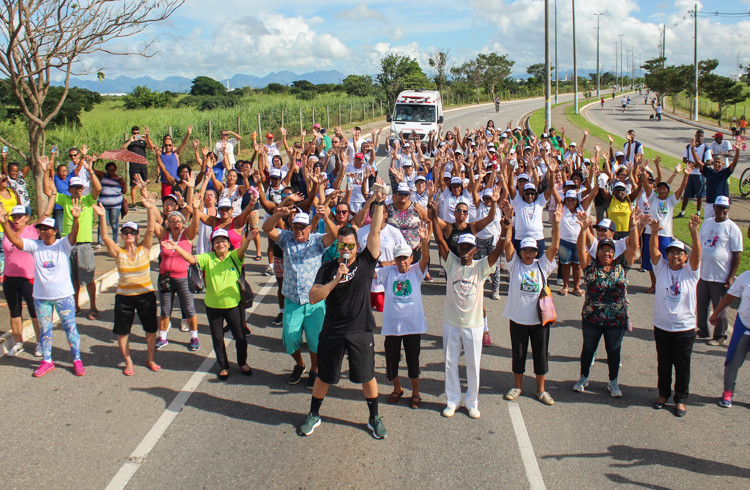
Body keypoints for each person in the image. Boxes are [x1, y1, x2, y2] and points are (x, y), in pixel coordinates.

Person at [299, 188, 387, 439]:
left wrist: (379, 200)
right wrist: (336, 280)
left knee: (367, 376)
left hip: (360, 329)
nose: (346, 249)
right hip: (333, 330)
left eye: (350, 246)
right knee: (324, 375)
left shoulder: (366, 261)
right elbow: (314, 297)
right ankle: (314, 413)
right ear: (337, 246)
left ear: (357, 246)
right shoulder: (328, 269)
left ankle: (374, 417)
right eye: (342, 245)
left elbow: (375, 230)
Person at [430, 202, 505, 420]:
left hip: (473, 325)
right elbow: (440, 241)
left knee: (473, 365)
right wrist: (434, 218)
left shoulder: (481, 266)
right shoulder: (450, 262)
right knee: (450, 363)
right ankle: (452, 401)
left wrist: (506, 230)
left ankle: (472, 402)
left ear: (474, 249)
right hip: (451, 323)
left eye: (468, 248)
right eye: (461, 247)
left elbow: (499, 250)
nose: (464, 251)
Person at [0, 203, 85, 377]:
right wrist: (3, 223)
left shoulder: (63, 244)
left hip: (63, 296)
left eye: (47, 229)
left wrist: (76, 218)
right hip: (41, 297)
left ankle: (76, 360)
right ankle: (47, 360)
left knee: (70, 329)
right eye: (41, 229)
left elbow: (74, 234)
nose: (43, 231)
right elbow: (15, 241)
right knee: (45, 331)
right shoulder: (35, 245)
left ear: (54, 231)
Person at [163, 228, 257, 380]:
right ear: (213, 244)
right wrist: (176, 248)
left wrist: (248, 239)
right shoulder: (208, 258)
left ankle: (242, 362)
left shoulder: (234, 257)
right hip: (213, 306)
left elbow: (242, 250)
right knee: (217, 338)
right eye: (217, 241)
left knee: (240, 336)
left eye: (224, 241)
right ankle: (223, 366)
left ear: (228, 244)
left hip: (233, 305)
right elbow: (192, 259)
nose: (221, 244)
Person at [262, 205, 338, 389]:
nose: (299, 230)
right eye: (296, 227)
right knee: (290, 337)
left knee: (315, 339)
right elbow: (267, 229)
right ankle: (299, 364)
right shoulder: (286, 238)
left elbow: (335, 236)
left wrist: (326, 218)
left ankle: (315, 369)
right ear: (292, 227)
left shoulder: (317, 241)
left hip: (314, 301)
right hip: (292, 299)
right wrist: (279, 214)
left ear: (309, 228)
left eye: (303, 227)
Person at [572, 211, 639, 397]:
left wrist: (634, 226)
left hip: (616, 319)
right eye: (602, 250)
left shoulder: (621, 265)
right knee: (588, 348)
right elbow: (580, 249)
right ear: (598, 251)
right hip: (592, 317)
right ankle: (583, 377)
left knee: (614, 351)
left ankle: (613, 382)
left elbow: (634, 247)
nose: (606, 253)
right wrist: (583, 230)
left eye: (610, 250)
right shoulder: (590, 266)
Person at [502, 203, 563, 406]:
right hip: (518, 319)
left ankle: (541, 390)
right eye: (525, 250)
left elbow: (554, 246)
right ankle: (518, 386)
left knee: (540, 355)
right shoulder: (514, 265)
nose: (528, 253)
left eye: (532, 250)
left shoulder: (542, 266)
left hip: (539, 321)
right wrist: (509, 220)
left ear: (537, 252)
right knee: (518, 354)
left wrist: (556, 223)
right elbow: (508, 244)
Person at [93, 194, 161, 376]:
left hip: (145, 295)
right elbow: (106, 237)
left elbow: (150, 232)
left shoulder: (144, 248)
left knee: (150, 328)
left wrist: (149, 208)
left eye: (132, 232)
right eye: (126, 233)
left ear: (137, 235)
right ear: (122, 236)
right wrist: (101, 216)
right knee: (123, 330)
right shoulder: (118, 252)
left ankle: (150, 358)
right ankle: (128, 361)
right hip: (124, 298)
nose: (129, 235)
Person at [649, 215, 701, 417]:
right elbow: (654, 252)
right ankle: (663, 394)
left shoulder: (691, 272)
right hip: (662, 326)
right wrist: (654, 232)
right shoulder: (661, 268)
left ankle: (680, 399)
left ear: (685, 257)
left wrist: (694, 232)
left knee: (682, 365)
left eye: (680, 254)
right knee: (663, 362)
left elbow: (697, 255)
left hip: (684, 329)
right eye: (671, 253)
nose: (675, 257)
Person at [374, 224, 431, 409]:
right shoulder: (387, 272)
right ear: (394, 259)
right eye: (398, 259)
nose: (402, 262)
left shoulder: (416, 272)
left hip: (413, 327)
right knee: (391, 362)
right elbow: (368, 273)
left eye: (405, 258)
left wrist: (424, 241)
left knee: (413, 361)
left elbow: (426, 259)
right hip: (392, 328)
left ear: (411, 258)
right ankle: (397, 389)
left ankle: (415, 392)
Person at [47, 155, 102, 319]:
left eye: (80, 188)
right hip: (67, 244)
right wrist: (45, 172)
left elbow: (97, 189)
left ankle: (93, 307)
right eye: (75, 188)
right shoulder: (65, 200)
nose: (78, 190)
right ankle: (76, 305)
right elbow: (48, 191)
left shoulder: (87, 200)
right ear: (69, 190)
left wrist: (91, 171)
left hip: (84, 244)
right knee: (73, 279)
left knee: (89, 278)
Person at [2, 199, 55, 357]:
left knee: (34, 312)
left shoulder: (33, 230)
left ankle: (40, 342)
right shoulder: (8, 228)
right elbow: (3, 220)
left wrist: (52, 194)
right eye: (14, 216)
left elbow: (46, 213)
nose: (16, 219)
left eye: (20, 216)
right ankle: (19, 342)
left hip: (29, 279)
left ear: (26, 217)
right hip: (9, 278)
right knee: (15, 312)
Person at [154, 186, 201, 351]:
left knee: (188, 308)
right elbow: (153, 222)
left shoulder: (187, 235)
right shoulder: (164, 234)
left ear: (183, 224)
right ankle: (163, 336)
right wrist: (150, 205)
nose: (175, 223)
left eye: (178, 221)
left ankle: (194, 337)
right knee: (165, 309)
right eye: (172, 221)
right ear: (168, 223)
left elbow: (196, 224)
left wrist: (195, 208)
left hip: (183, 278)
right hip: (165, 277)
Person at [696, 196, 742, 345]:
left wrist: (731, 276)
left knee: (720, 307)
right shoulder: (707, 223)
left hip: (721, 275)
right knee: (702, 304)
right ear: (714, 207)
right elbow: (700, 244)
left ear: (727, 209)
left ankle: (720, 335)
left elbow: (737, 254)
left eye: (724, 208)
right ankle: (703, 330)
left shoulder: (732, 228)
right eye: (719, 207)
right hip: (704, 272)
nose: (721, 210)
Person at [710, 269, 750, 408]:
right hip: (743, 326)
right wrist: (716, 312)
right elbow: (729, 296)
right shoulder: (746, 276)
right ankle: (728, 392)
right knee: (733, 361)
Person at [698, 143, 740, 220]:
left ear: (723, 164)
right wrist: (692, 148)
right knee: (707, 222)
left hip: (722, 203)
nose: (717, 164)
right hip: (710, 202)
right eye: (715, 162)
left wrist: (738, 151)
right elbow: (698, 162)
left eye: (719, 162)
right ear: (712, 163)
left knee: (723, 223)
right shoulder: (708, 172)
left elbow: (734, 163)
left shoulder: (724, 173)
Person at [678, 131, 711, 218]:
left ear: (703, 138)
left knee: (699, 195)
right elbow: (684, 159)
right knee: (686, 194)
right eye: (698, 135)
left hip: (700, 174)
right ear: (695, 136)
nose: (699, 137)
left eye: (701, 136)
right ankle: (682, 211)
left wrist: (700, 165)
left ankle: (698, 212)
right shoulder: (689, 146)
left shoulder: (706, 148)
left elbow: (709, 161)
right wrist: (691, 163)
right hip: (690, 173)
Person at [94, 161, 127, 245]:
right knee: (102, 223)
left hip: (115, 205)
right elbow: (92, 171)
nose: (110, 172)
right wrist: (93, 162)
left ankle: (115, 240)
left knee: (114, 223)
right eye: (109, 170)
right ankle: (100, 241)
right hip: (103, 204)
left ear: (115, 170)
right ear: (106, 170)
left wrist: (123, 183)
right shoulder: (102, 176)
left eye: (112, 170)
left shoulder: (119, 178)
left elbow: (124, 191)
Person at [120, 126, 149, 207]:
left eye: (137, 133)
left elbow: (150, 147)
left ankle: (144, 201)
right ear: (131, 133)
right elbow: (122, 148)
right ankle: (133, 203)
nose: (136, 134)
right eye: (134, 133)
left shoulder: (142, 141)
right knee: (134, 185)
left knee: (143, 184)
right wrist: (130, 140)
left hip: (143, 164)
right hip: (134, 165)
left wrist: (146, 138)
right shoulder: (129, 142)